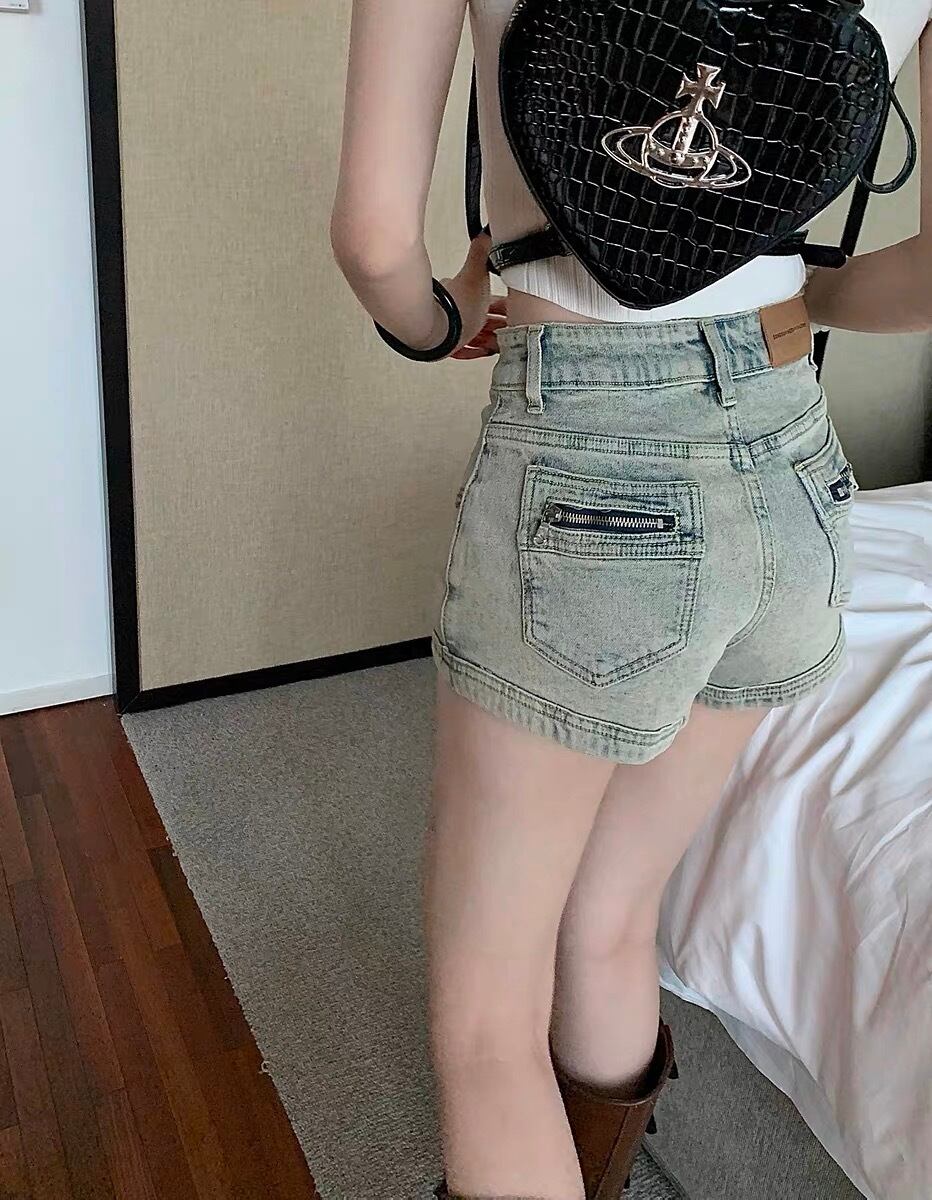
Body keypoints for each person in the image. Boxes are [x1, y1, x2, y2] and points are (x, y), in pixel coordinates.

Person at [330, 4, 932, 1198]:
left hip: (586, 452)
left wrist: (442, 318)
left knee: (486, 1026)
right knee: (613, 916)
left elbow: (371, 241)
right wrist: (783, 301)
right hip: (795, 475)